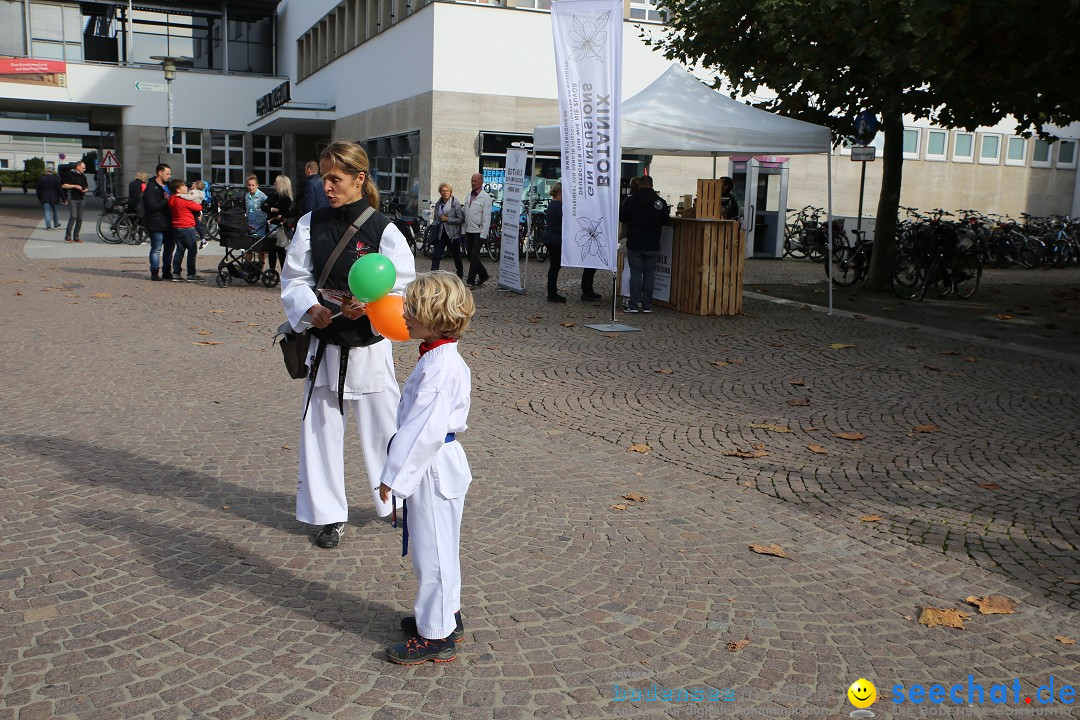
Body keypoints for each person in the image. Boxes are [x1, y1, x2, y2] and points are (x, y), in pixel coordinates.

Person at [280, 140, 416, 550]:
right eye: (324, 178)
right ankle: (328, 515)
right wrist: (309, 308)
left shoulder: (383, 228)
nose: (327, 186)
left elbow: (404, 282)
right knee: (320, 432)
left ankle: (395, 502)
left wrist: (372, 306)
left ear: (359, 179)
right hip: (324, 344)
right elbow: (294, 278)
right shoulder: (310, 223)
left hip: (369, 346)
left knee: (383, 429)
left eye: (335, 178)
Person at [378, 270, 475, 664]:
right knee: (440, 547)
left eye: (412, 311)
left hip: (432, 465)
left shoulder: (440, 368)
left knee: (432, 552)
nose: (403, 316)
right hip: (437, 463)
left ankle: (436, 635)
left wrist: (393, 479)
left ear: (435, 316)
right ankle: (446, 614)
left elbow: (423, 431)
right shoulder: (439, 358)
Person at [619, 174, 670, 314]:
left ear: (640, 184)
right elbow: (666, 221)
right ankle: (647, 305)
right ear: (652, 185)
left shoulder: (631, 201)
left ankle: (633, 305)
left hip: (635, 242)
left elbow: (622, 217)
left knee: (635, 274)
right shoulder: (659, 202)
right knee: (649, 274)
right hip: (653, 243)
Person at [143, 163, 175, 281]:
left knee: (169, 249)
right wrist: (165, 201)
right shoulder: (151, 188)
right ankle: (154, 272)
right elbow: (151, 206)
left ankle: (167, 272)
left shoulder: (169, 186)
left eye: (170, 173)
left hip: (169, 223)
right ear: (159, 173)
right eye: (167, 173)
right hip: (155, 224)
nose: (169, 176)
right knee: (156, 249)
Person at [168, 179, 204, 282]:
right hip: (187, 227)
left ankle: (176, 273)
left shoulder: (172, 199)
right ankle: (191, 274)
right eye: (183, 186)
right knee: (192, 250)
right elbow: (198, 207)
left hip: (177, 227)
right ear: (178, 190)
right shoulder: (183, 201)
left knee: (180, 250)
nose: (186, 188)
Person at [429, 182, 465, 278]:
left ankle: (460, 274)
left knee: (456, 256)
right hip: (441, 234)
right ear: (440, 192)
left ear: (450, 192)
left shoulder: (455, 204)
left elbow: (461, 219)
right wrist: (437, 222)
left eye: (447, 191)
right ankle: (433, 275)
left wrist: (448, 219)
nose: (445, 193)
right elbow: (436, 219)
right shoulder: (438, 204)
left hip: (453, 235)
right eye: (443, 191)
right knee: (436, 255)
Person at [462, 173, 492, 288]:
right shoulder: (468, 196)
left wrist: (484, 234)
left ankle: (470, 281)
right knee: (470, 255)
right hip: (469, 230)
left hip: (479, 231)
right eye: (472, 180)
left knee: (474, 255)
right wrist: (463, 231)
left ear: (481, 182)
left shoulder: (485, 197)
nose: (473, 183)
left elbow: (486, 217)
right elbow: (466, 215)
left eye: (475, 181)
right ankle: (483, 274)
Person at [262, 175, 294, 274]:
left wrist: (271, 208)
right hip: (271, 225)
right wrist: (273, 209)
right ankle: (272, 271)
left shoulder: (286, 198)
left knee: (280, 250)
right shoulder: (273, 195)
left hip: (280, 227)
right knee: (271, 251)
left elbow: (282, 211)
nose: (274, 183)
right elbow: (263, 206)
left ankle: (284, 273)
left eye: (276, 182)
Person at [542, 182, 566, 303]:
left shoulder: (552, 204)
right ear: (560, 193)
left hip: (550, 237)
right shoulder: (560, 206)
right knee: (555, 266)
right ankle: (552, 293)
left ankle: (552, 292)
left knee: (554, 266)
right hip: (555, 239)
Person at [61, 161, 89, 243]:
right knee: (73, 216)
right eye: (83, 168)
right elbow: (63, 185)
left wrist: (85, 190)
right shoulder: (69, 174)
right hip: (72, 198)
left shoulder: (83, 176)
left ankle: (76, 236)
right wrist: (75, 186)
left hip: (81, 198)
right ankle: (68, 236)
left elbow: (87, 187)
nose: (84, 169)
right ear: (78, 167)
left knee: (80, 218)